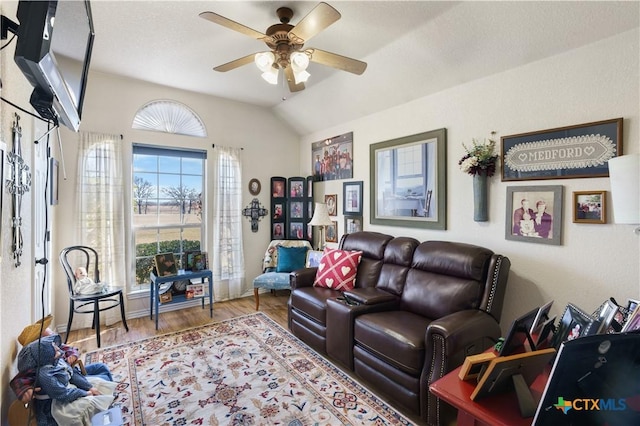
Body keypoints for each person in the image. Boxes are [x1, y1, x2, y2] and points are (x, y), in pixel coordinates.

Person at [17, 334, 116, 425]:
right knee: (90, 403)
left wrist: (89, 388)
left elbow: (72, 373)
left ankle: (109, 415)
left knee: (100, 382)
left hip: (69, 387)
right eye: (54, 348)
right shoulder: (44, 374)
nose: (58, 349)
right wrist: (85, 393)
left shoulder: (55, 359)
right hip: (57, 402)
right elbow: (62, 394)